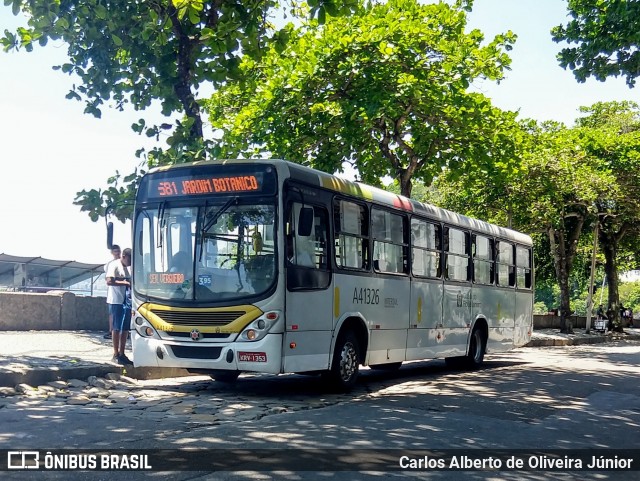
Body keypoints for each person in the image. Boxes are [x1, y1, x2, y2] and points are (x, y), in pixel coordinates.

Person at [106, 247, 133, 365]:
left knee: (125, 328)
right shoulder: (114, 265)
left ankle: (122, 353)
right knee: (116, 328)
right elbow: (109, 281)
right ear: (124, 257)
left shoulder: (129, 268)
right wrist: (125, 282)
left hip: (127, 301)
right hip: (116, 300)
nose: (130, 263)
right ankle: (115, 353)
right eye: (129, 260)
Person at [103, 245, 121, 339]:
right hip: (112, 294)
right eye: (115, 251)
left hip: (123, 294)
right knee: (112, 314)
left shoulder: (124, 263)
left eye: (118, 251)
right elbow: (108, 280)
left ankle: (120, 332)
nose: (117, 253)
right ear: (112, 253)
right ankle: (111, 331)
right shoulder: (109, 264)